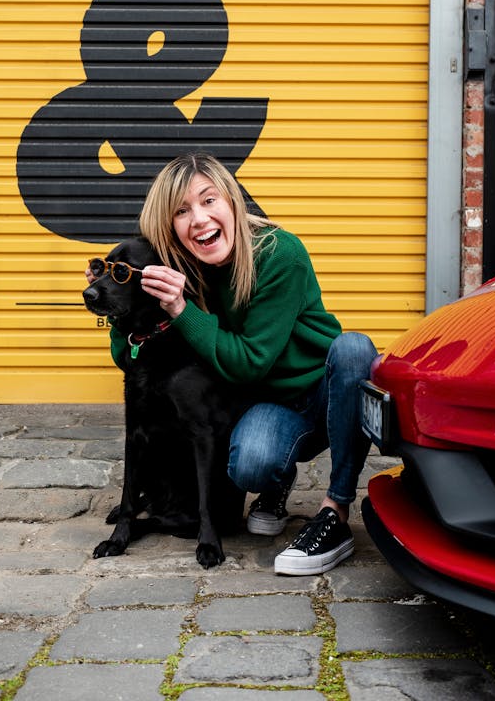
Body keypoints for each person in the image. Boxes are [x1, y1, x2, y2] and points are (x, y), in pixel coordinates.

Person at [118, 151, 377, 575]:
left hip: (324, 390)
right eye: (181, 211)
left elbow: (251, 362)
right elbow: (128, 354)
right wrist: (116, 302)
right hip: (266, 406)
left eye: (208, 200)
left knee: (354, 350)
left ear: (232, 201)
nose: (199, 218)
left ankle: (335, 512)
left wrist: (182, 310)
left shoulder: (279, 254)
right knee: (251, 464)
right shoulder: (183, 267)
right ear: (169, 227)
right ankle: (275, 484)